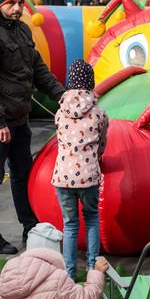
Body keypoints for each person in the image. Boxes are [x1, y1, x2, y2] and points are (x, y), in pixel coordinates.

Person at [0, 0, 65, 255]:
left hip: (18, 116)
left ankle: (30, 225)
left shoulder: (23, 30)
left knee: (23, 172)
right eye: (11, 3)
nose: (16, 8)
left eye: (20, 3)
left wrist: (63, 96)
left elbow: (39, 70)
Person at [52, 60, 108, 280]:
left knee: (70, 224)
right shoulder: (99, 115)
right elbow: (102, 144)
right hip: (88, 177)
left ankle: (69, 273)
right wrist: (97, 156)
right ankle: (93, 268)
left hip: (63, 177)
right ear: (91, 82)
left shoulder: (60, 113)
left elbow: (60, 141)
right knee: (92, 218)